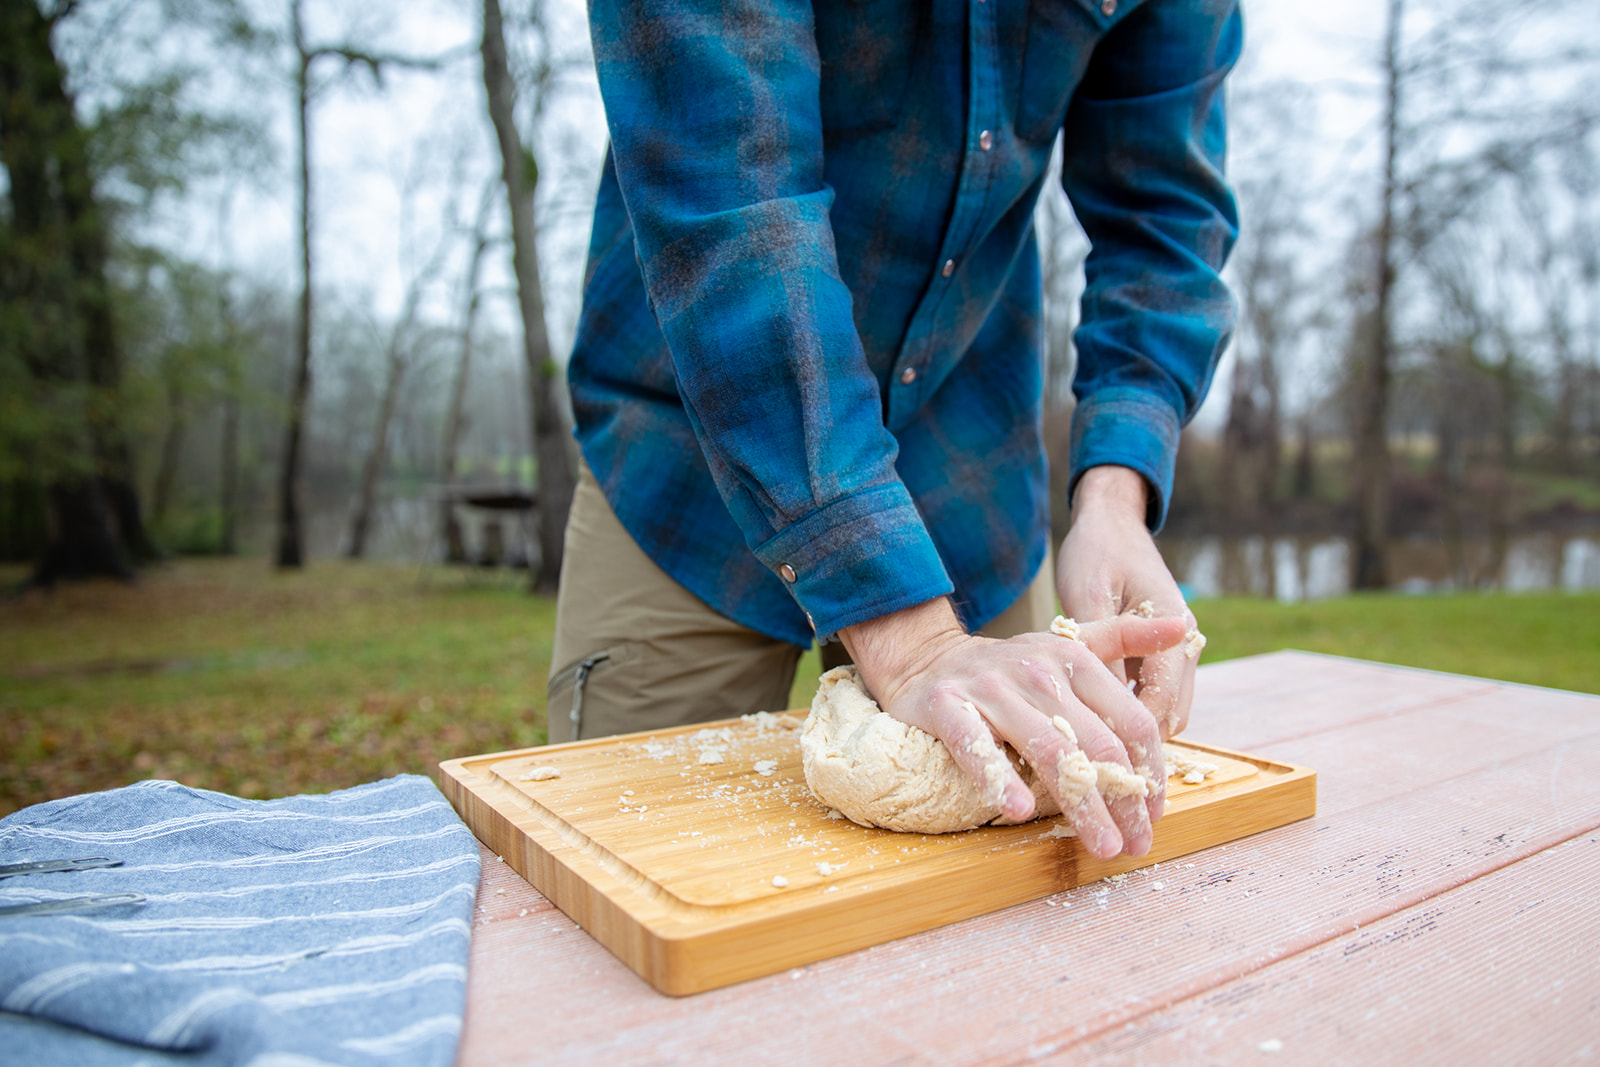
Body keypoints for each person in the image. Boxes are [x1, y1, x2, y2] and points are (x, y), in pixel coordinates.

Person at [549, 0, 1241, 862]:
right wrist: (911, 646)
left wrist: (1115, 497)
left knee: (1012, 903)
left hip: (967, 473)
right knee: (634, 873)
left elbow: (1163, 219)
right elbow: (729, 200)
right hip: (688, 476)